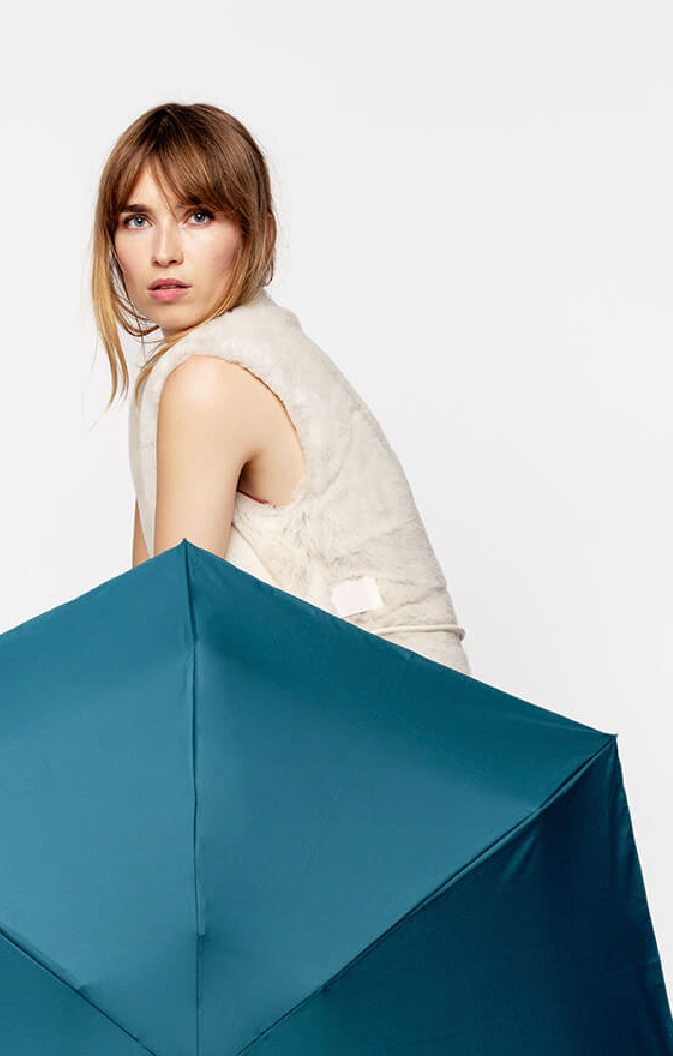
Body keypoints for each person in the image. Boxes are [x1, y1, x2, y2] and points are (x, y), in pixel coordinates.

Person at [89, 101, 472, 675]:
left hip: (377, 702)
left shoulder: (209, 381)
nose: (164, 251)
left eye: (198, 215)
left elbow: (172, 633)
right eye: (137, 220)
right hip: (362, 695)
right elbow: (151, 611)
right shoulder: (212, 365)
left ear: (260, 235)